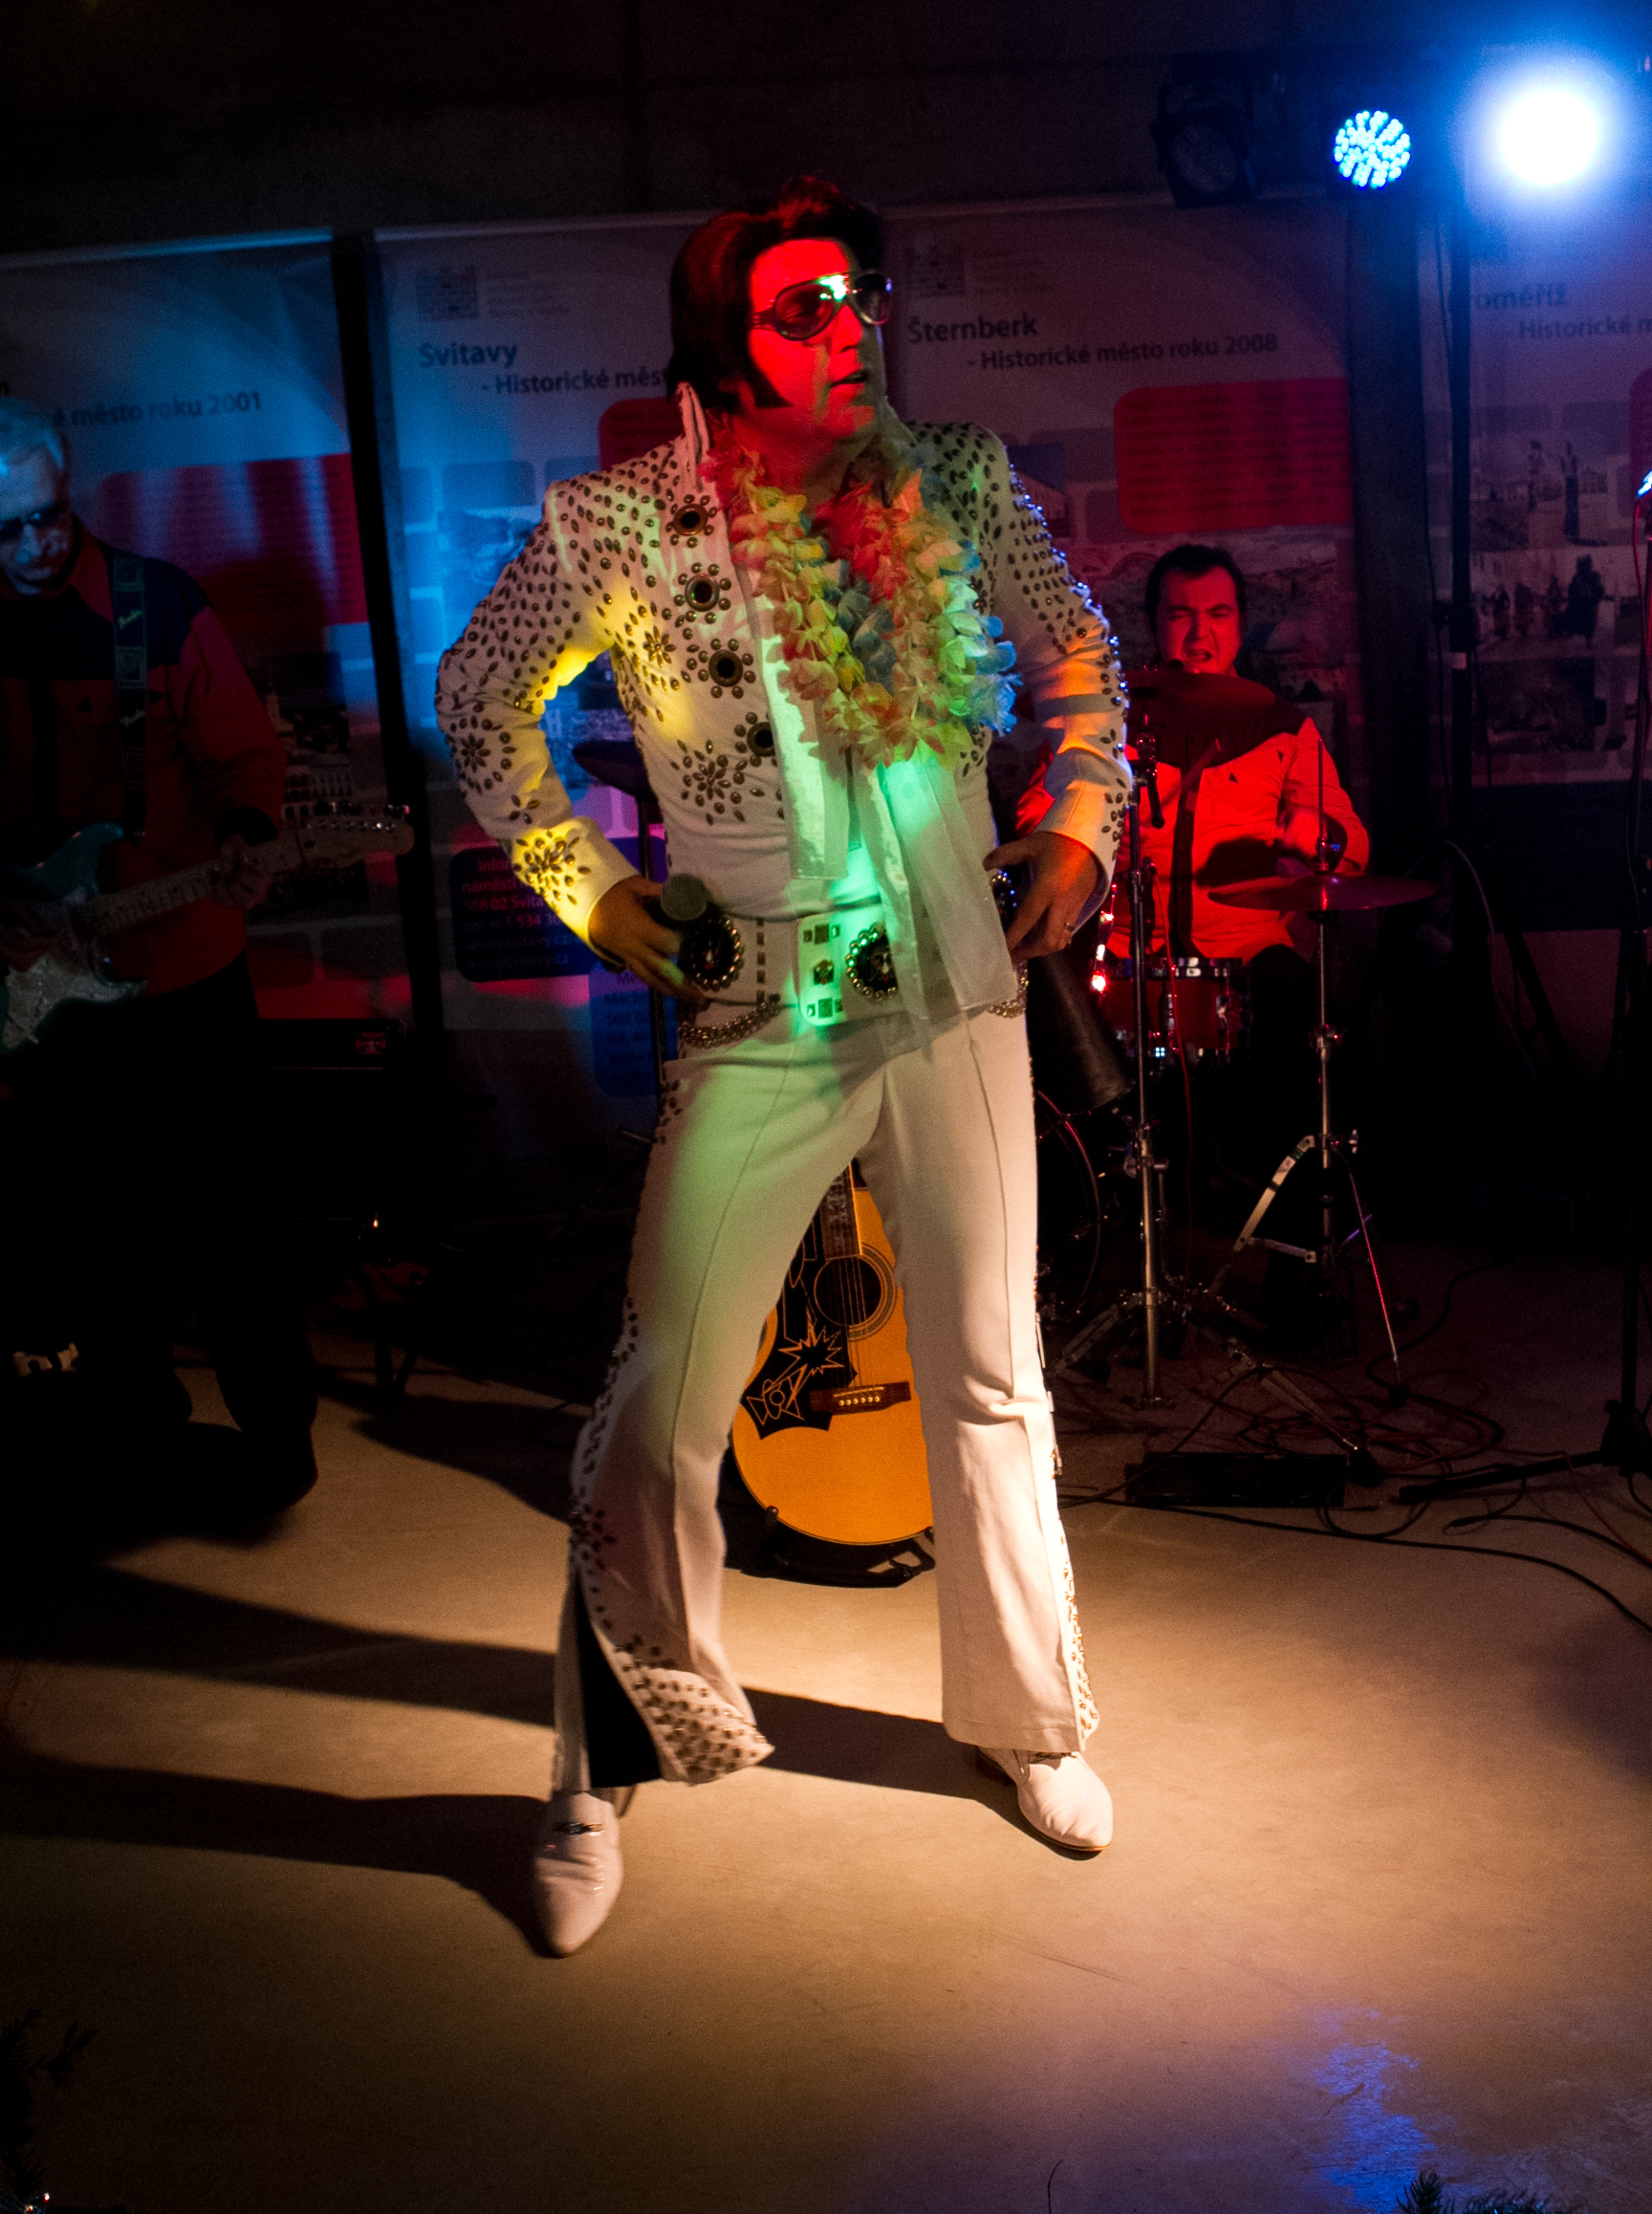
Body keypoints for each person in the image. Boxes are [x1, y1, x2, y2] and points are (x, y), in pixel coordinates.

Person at [436, 176, 1132, 1954]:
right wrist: (586, 887)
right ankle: (599, 1763)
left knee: (990, 1377)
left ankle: (1026, 1722)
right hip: (762, 1012)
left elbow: (1079, 651)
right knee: (662, 1397)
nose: (851, 330)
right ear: (721, 355)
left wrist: (1076, 813)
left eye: (862, 296)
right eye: (804, 308)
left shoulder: (954, 479)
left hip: (957, 994)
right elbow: (480, 696)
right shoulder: (620, 526)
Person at [0, 397, 317, 1515]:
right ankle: (136, 1425)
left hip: (183, 966)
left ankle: (276, 1439)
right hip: (45, 985)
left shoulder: (159, 604)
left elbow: (246, 760)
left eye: (49, 515)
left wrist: (243, 835)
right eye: (8, 529)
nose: (37, 543)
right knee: (94, 1227)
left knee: (235, 1221)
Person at [1105, 544, 1369, 1203]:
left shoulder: (1282, 729)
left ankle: (1286, 1219)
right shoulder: (1110, 725)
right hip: (1131, 954)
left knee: (1306, 1016)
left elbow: (1353, 847)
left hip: (1248, 955)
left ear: (1240, 624)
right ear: (1154, 623)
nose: (1200, 633)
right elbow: (1041, 816)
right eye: (1181, 615)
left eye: (1218, 614)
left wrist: (1317, 835)